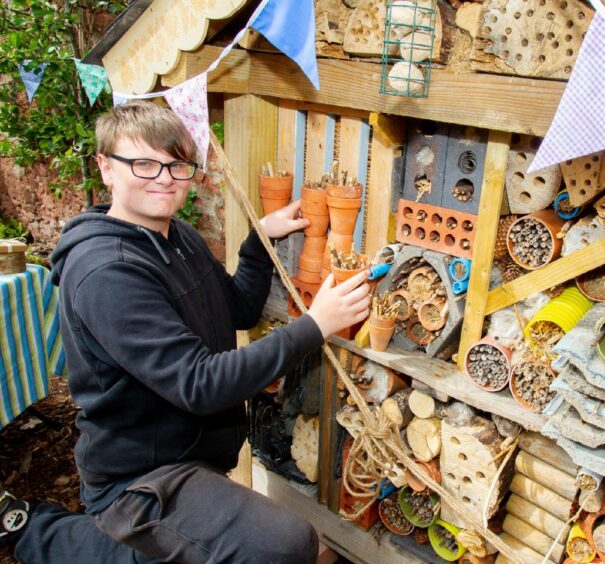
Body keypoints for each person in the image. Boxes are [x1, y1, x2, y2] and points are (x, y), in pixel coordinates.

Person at [2, 100, 371, 563]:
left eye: (175, 165)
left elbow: (236, 309)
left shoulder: (176, 238)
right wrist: (315, 325)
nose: (163, 177)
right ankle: (54, 534)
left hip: (193, 457)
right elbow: (199, 384)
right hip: (138, 479)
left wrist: (258, 242)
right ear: (105, 168)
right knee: (286, 545)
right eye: (143, 163)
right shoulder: (106, 273)